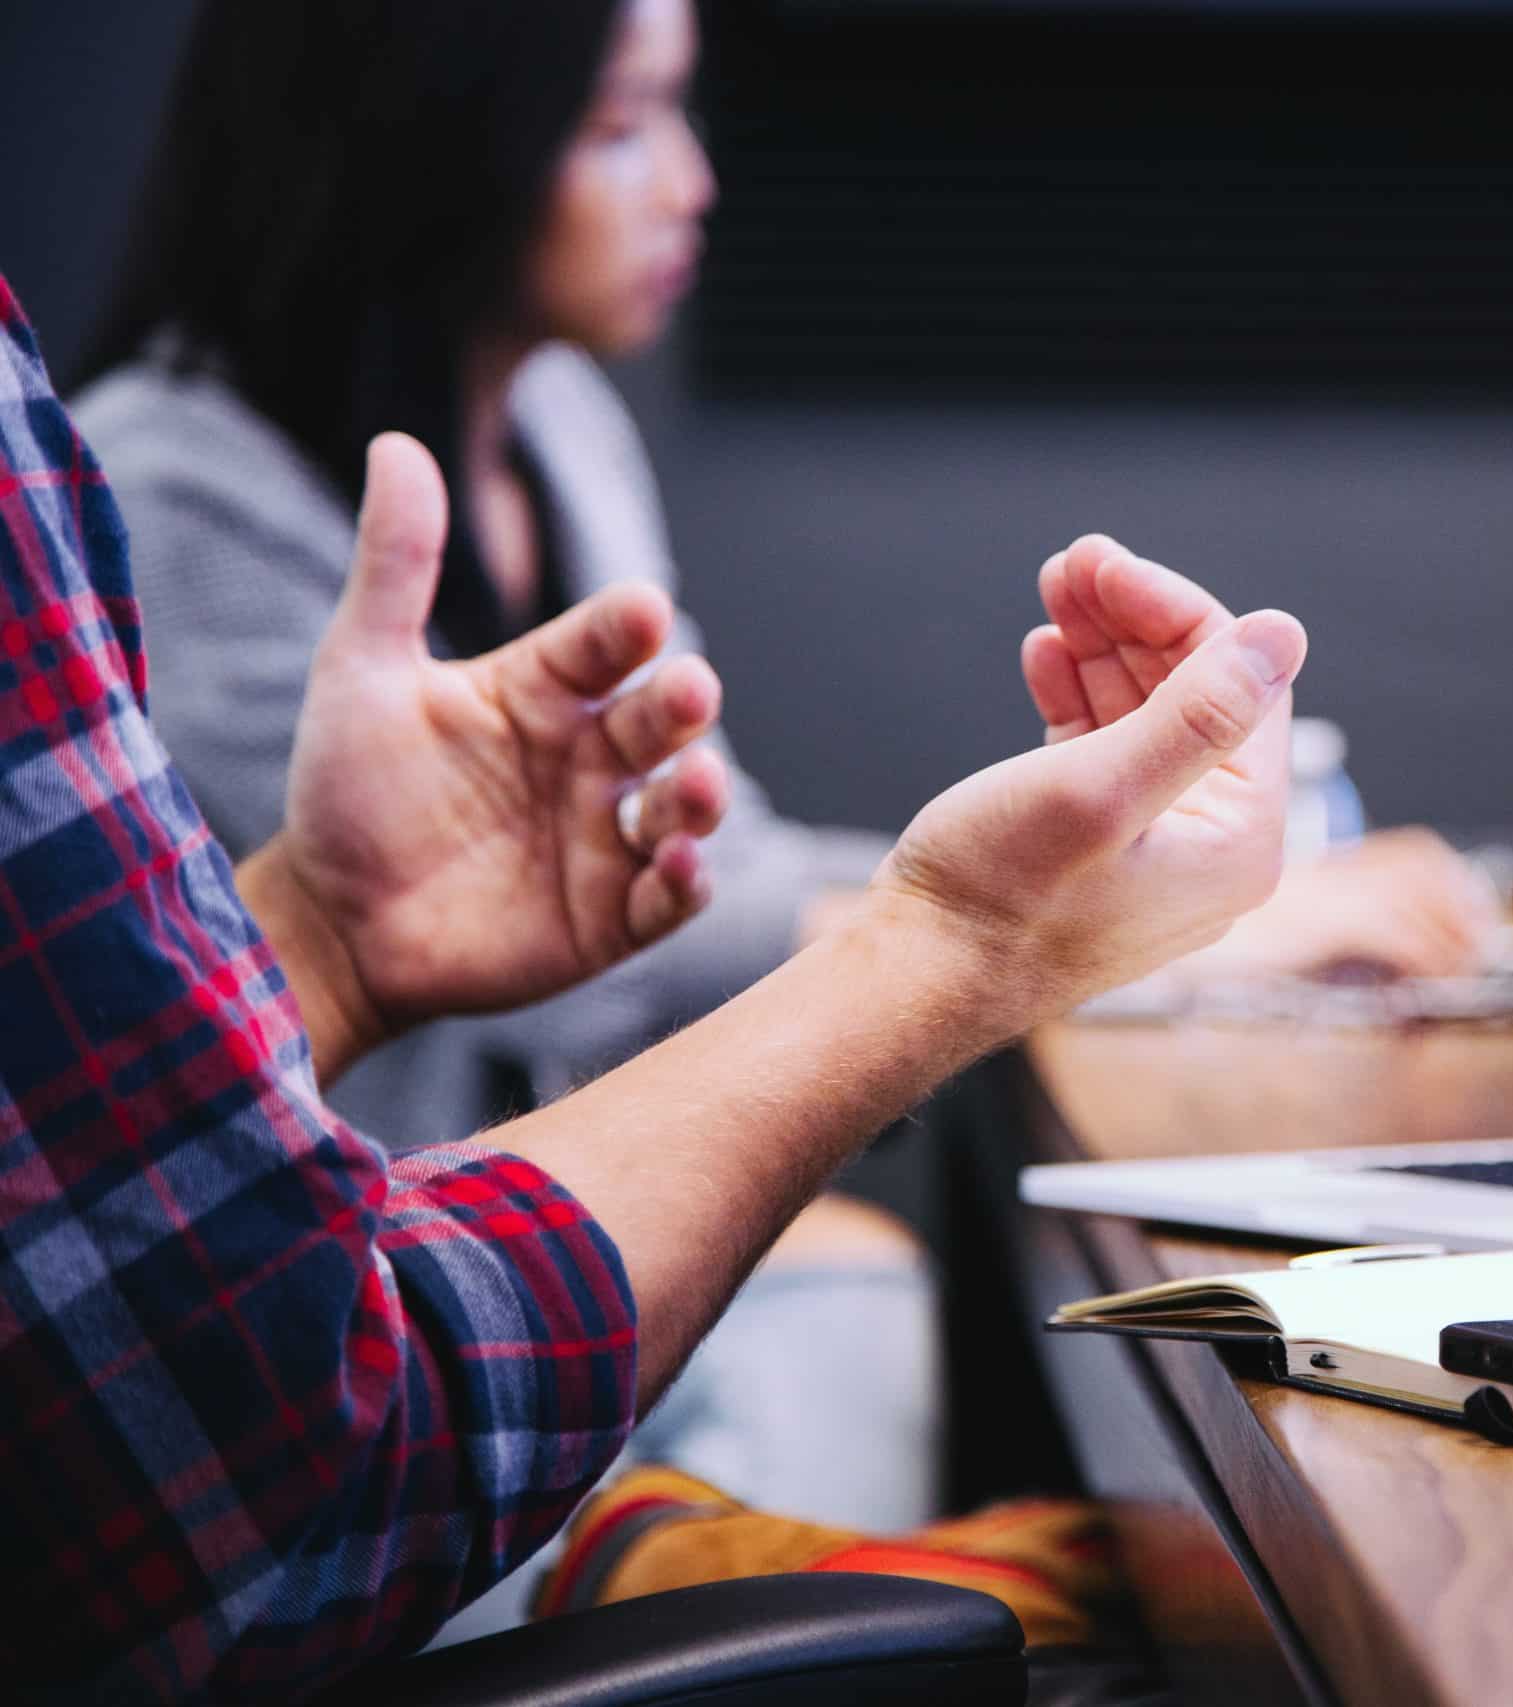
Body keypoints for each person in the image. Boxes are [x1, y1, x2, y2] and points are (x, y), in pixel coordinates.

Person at [1, 267, 1310, 1700]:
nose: (688, 178)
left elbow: (73, 1171)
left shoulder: (561, 420)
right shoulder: (158, 469)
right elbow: (284, 1452)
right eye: (624, 120)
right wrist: (957, 947)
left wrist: (318, 939)